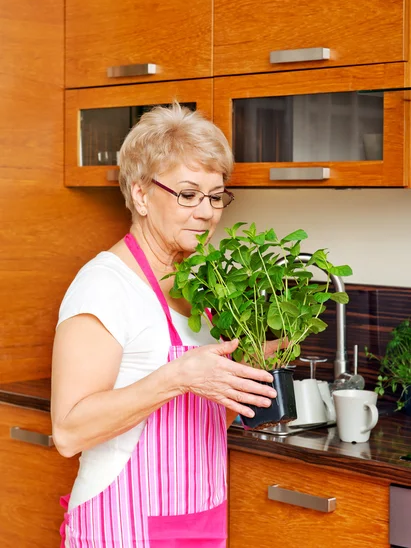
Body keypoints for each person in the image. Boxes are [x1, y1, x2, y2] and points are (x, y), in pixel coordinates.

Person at [51, 102, 277, 548]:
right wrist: (176, 378)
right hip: (123, 524)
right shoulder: (104, 285)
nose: (207, 212)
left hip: (201, 517)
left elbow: (205, 409)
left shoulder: (200, 285)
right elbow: (69, 431)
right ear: (140, 194)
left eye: (216, 196)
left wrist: (248, 370)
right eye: (188, 194)